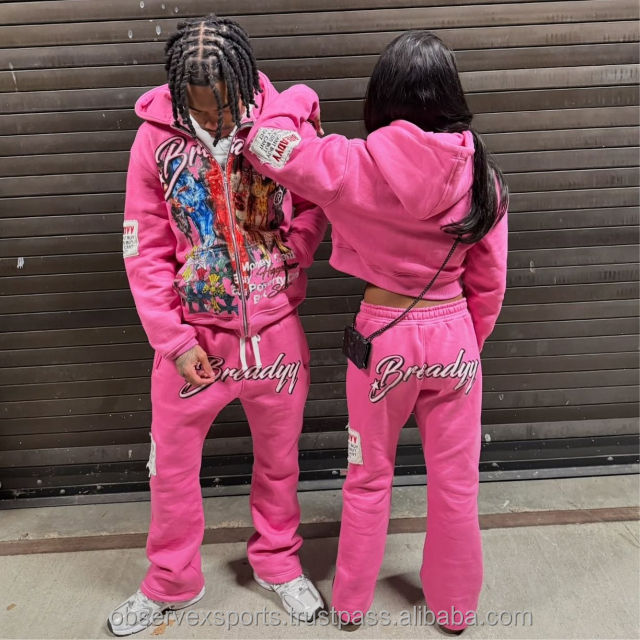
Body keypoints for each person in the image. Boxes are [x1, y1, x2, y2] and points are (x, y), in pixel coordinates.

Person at [239, 31, 509, 634]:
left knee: (367, 479)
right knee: (457, 485)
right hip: (455, 341)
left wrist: (299, 97)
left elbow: (265, 145)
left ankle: (352, 605)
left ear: (381, 95)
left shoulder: (349, 163)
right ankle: (456, 609)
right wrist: (466, 344)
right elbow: (490, 285)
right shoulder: (484, 176)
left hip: (384, 339)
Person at [107, 15, 328, 637]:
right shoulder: (154, 140)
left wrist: (292, 254)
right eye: (203, 109)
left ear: (245, 84)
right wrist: (173, 341)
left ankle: (278, 563)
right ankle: (170, 580)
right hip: (193, 339)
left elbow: (318, 200)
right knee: (171, 469)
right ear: (180, 95)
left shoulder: (281, 125)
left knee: (280, 462)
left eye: (226, 107)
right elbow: (144, 246)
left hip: (275, 334)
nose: (219, 121)